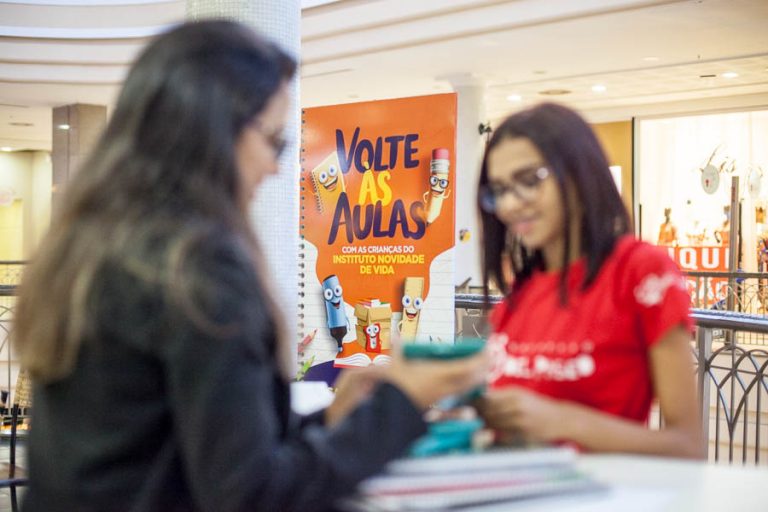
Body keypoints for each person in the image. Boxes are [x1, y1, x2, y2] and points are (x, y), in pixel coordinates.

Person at [13, 21, 488, 512]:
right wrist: (402, 402)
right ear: (216, 132)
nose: (278, 167)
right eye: (275, 141)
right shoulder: (195, 268)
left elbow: (196, 447)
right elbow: (253, 494)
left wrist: (330, 422)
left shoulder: (98, 247)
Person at [475, 103, 702, 458]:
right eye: (500, 190)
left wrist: (563, 422)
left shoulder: (640, 270)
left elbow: (688, 447)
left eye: (529, 180)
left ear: (580, 174)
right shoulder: (520, 294)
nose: (511, 204)